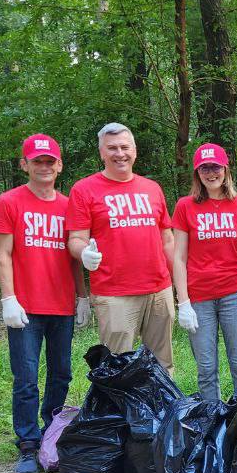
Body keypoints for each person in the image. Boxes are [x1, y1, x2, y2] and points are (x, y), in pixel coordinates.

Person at [0, 133, 91, 473]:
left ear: (59, 165)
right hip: (26, 307)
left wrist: (82, 297)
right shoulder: (10, 202)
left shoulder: (69, 206)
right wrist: (9, 299)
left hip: (61, 304)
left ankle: (52, 433)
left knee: (61, 372)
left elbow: (75, 257)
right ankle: (28, 445)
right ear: (25, 165)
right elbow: (3, 253)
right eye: (37, 161)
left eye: (50, 161)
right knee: (26, 378)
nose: (44, 166)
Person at [65, 122, 175, 373]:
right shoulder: (84, 190)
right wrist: (84, 253)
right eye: (112, 148)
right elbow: (75, 239)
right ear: (102, 153)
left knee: (162, 366)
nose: (119, 153)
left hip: (159, 290)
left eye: (125, 147)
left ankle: (162, 411)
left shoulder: (152, 188)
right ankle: (120, 413)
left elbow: (167, 240)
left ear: (135, 151)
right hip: (114, 294)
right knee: (116, 368)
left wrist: (180, 286)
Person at [170, 143, 237, 402]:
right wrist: (183, 302)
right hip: (199, 298)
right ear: (197, 173)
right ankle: (211, 425)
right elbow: (178, 257)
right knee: (206, 369)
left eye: (216, 167)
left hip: (236, 293)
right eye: (204, 168)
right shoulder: (185, 206)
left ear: (226, 169)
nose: (211, 173)